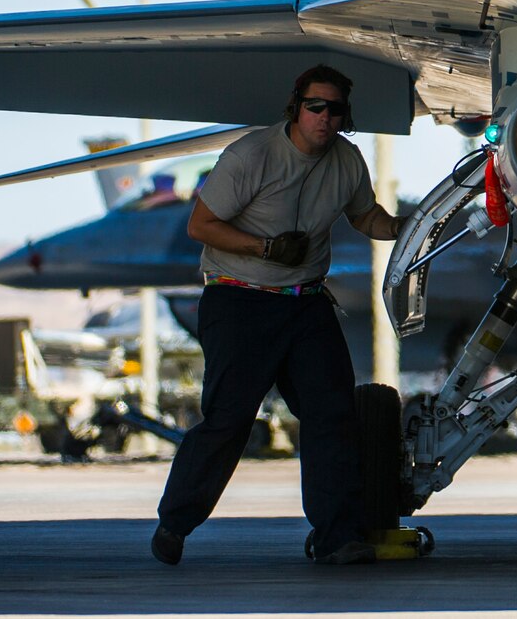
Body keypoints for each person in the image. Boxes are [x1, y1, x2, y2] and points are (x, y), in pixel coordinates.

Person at [150, 65, 403, 566]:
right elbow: (202, 225)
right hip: (240, 300)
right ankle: (175, 524)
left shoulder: (347, 161)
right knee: (229, 419)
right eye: (316, 106)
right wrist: (263, 247)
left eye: (335, 110)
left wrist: (405, 226)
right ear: (296, 107)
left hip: (306, 302)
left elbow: (363, 215)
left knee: (332, 414)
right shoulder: (251, 156)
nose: (325, 118)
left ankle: (337, 537)